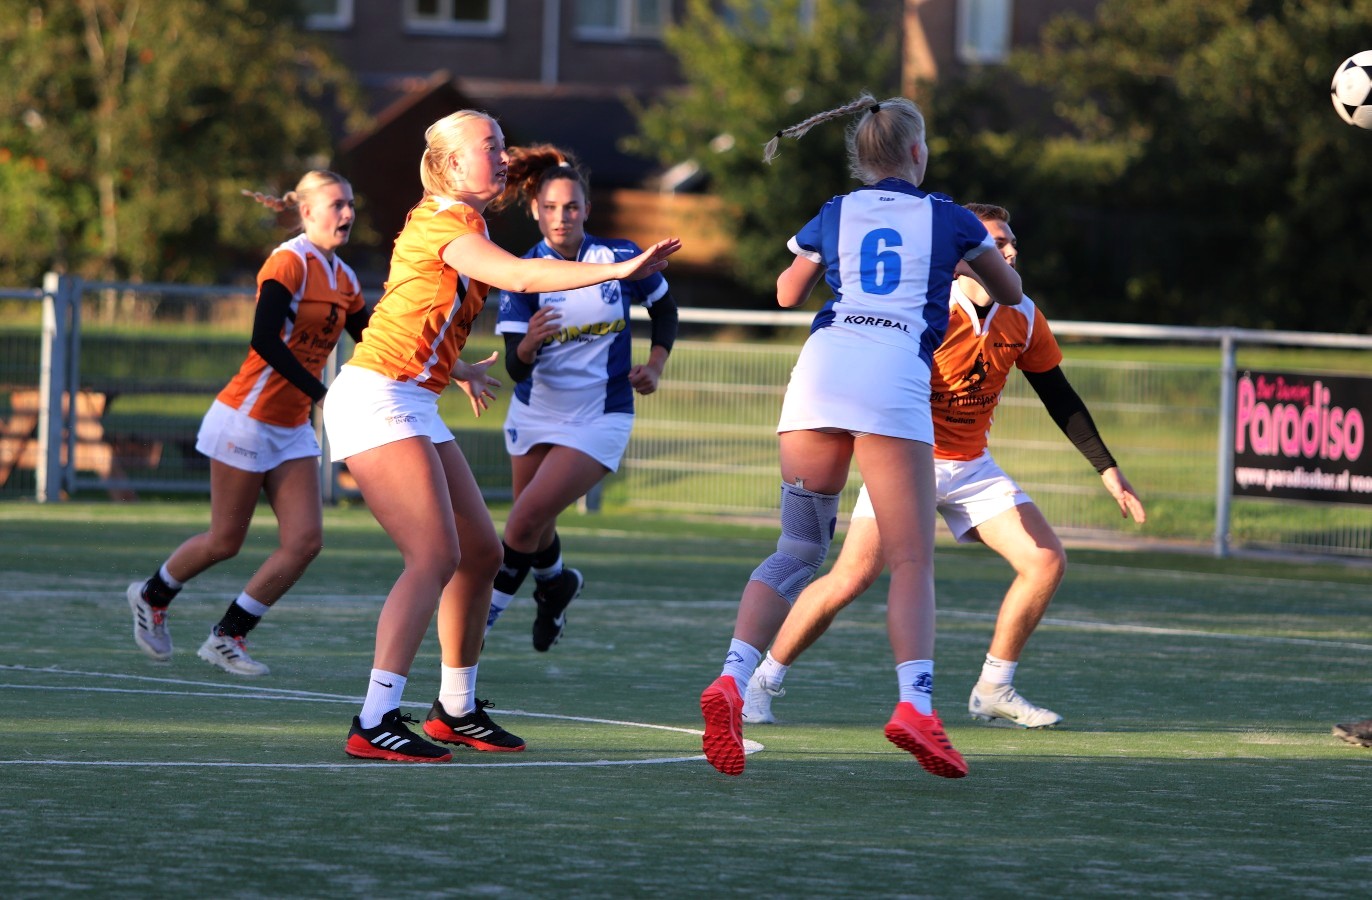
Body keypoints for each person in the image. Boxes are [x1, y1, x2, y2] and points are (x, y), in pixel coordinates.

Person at [322, 110, 680, 763]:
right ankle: (374, 719)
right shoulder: (445, 221)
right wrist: (618, 272)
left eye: (501, 143)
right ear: (451, 165)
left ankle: (455, 709)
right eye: (488, 145)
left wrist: (453, 366)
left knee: (482, 554)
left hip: (409, 396)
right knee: (433, 557)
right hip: (376, 400)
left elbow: (407, 308)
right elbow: (520, 276)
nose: (502, 154)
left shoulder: (465, 221)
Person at [698, 94, 1022, 779]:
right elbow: (1010, 291)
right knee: (910, 560)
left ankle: (731, 679)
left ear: (861, 156)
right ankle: (915, 707)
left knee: (797, 549)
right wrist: (970, 260)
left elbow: (786, 293)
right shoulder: (949, 217)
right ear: (917, 152)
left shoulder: (835, 210)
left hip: (820, 372)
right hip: (890, 376)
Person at [742, 203, 1147, 730]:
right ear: (964, 255)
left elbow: (1058, 394)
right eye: (998, 243)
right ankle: (762, 681)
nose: (1011, 251)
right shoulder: (925, 307)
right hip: (909, 459)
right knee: (851, 577)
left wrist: (1107, 469)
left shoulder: (1023, 313)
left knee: (1046, 560)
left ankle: (993, 689)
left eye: (1012, 242)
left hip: (972, 465)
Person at [126, 171, 369, 677]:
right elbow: (264, 339)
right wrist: (321, 393)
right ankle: (152, 595)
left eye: (350, 203)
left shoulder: (344, 278)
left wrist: (444, 365)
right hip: (247, 419)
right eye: (336, 204)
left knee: (305, 542)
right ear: (307, 212)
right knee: (225, 541)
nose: (347, 213)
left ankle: (228, 635)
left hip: (292, 426)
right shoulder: (288, 261)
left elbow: (373, 339)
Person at [483, 145, 678, 651]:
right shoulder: (522, 272)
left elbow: (664, 309)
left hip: (600, 414)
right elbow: (515, 368)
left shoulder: (618, 258)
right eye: (550, 207)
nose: (561, 217)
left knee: (522, 523)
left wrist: (656, 365)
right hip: (536, 411)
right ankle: (555, 586)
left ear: (587, 209)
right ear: (535, 210)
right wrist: (528, 342)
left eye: (571, 207)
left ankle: (480, 624)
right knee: (536, 522)